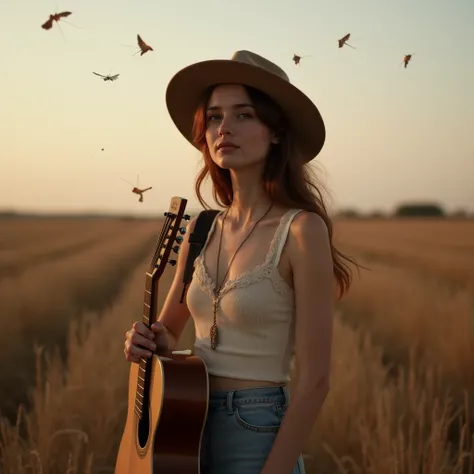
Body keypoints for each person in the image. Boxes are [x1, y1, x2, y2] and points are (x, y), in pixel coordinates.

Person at [124, 50, 359, 474]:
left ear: (275, 132)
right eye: (214, 117)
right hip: (181, 422)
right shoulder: (201, 228)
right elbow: (166, 335)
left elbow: (315, 382)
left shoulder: (301, 231)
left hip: (257, 428)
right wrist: (143, 341)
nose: (224, 128)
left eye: (244, 115)